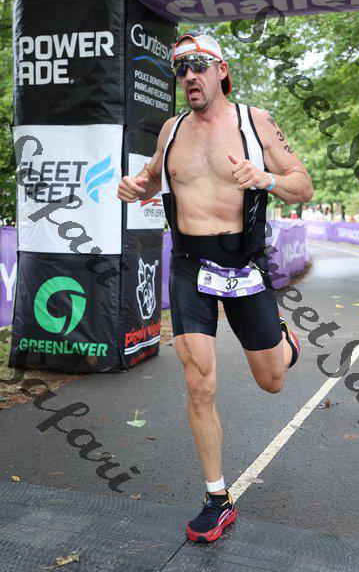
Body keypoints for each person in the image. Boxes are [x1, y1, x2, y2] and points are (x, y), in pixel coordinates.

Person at [117, 31, 314, 543]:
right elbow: (153, 178)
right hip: (190, 266)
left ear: (221, 70)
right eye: (180, 68)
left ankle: (284, 345)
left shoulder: (255, 121)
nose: (189, 76)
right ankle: (216, 498)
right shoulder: (171, 130)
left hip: (244, 263)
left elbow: (302, 184)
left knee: (272, 381)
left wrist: (266, 179)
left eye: (198, 64)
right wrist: (136, 185)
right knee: (199, 382)